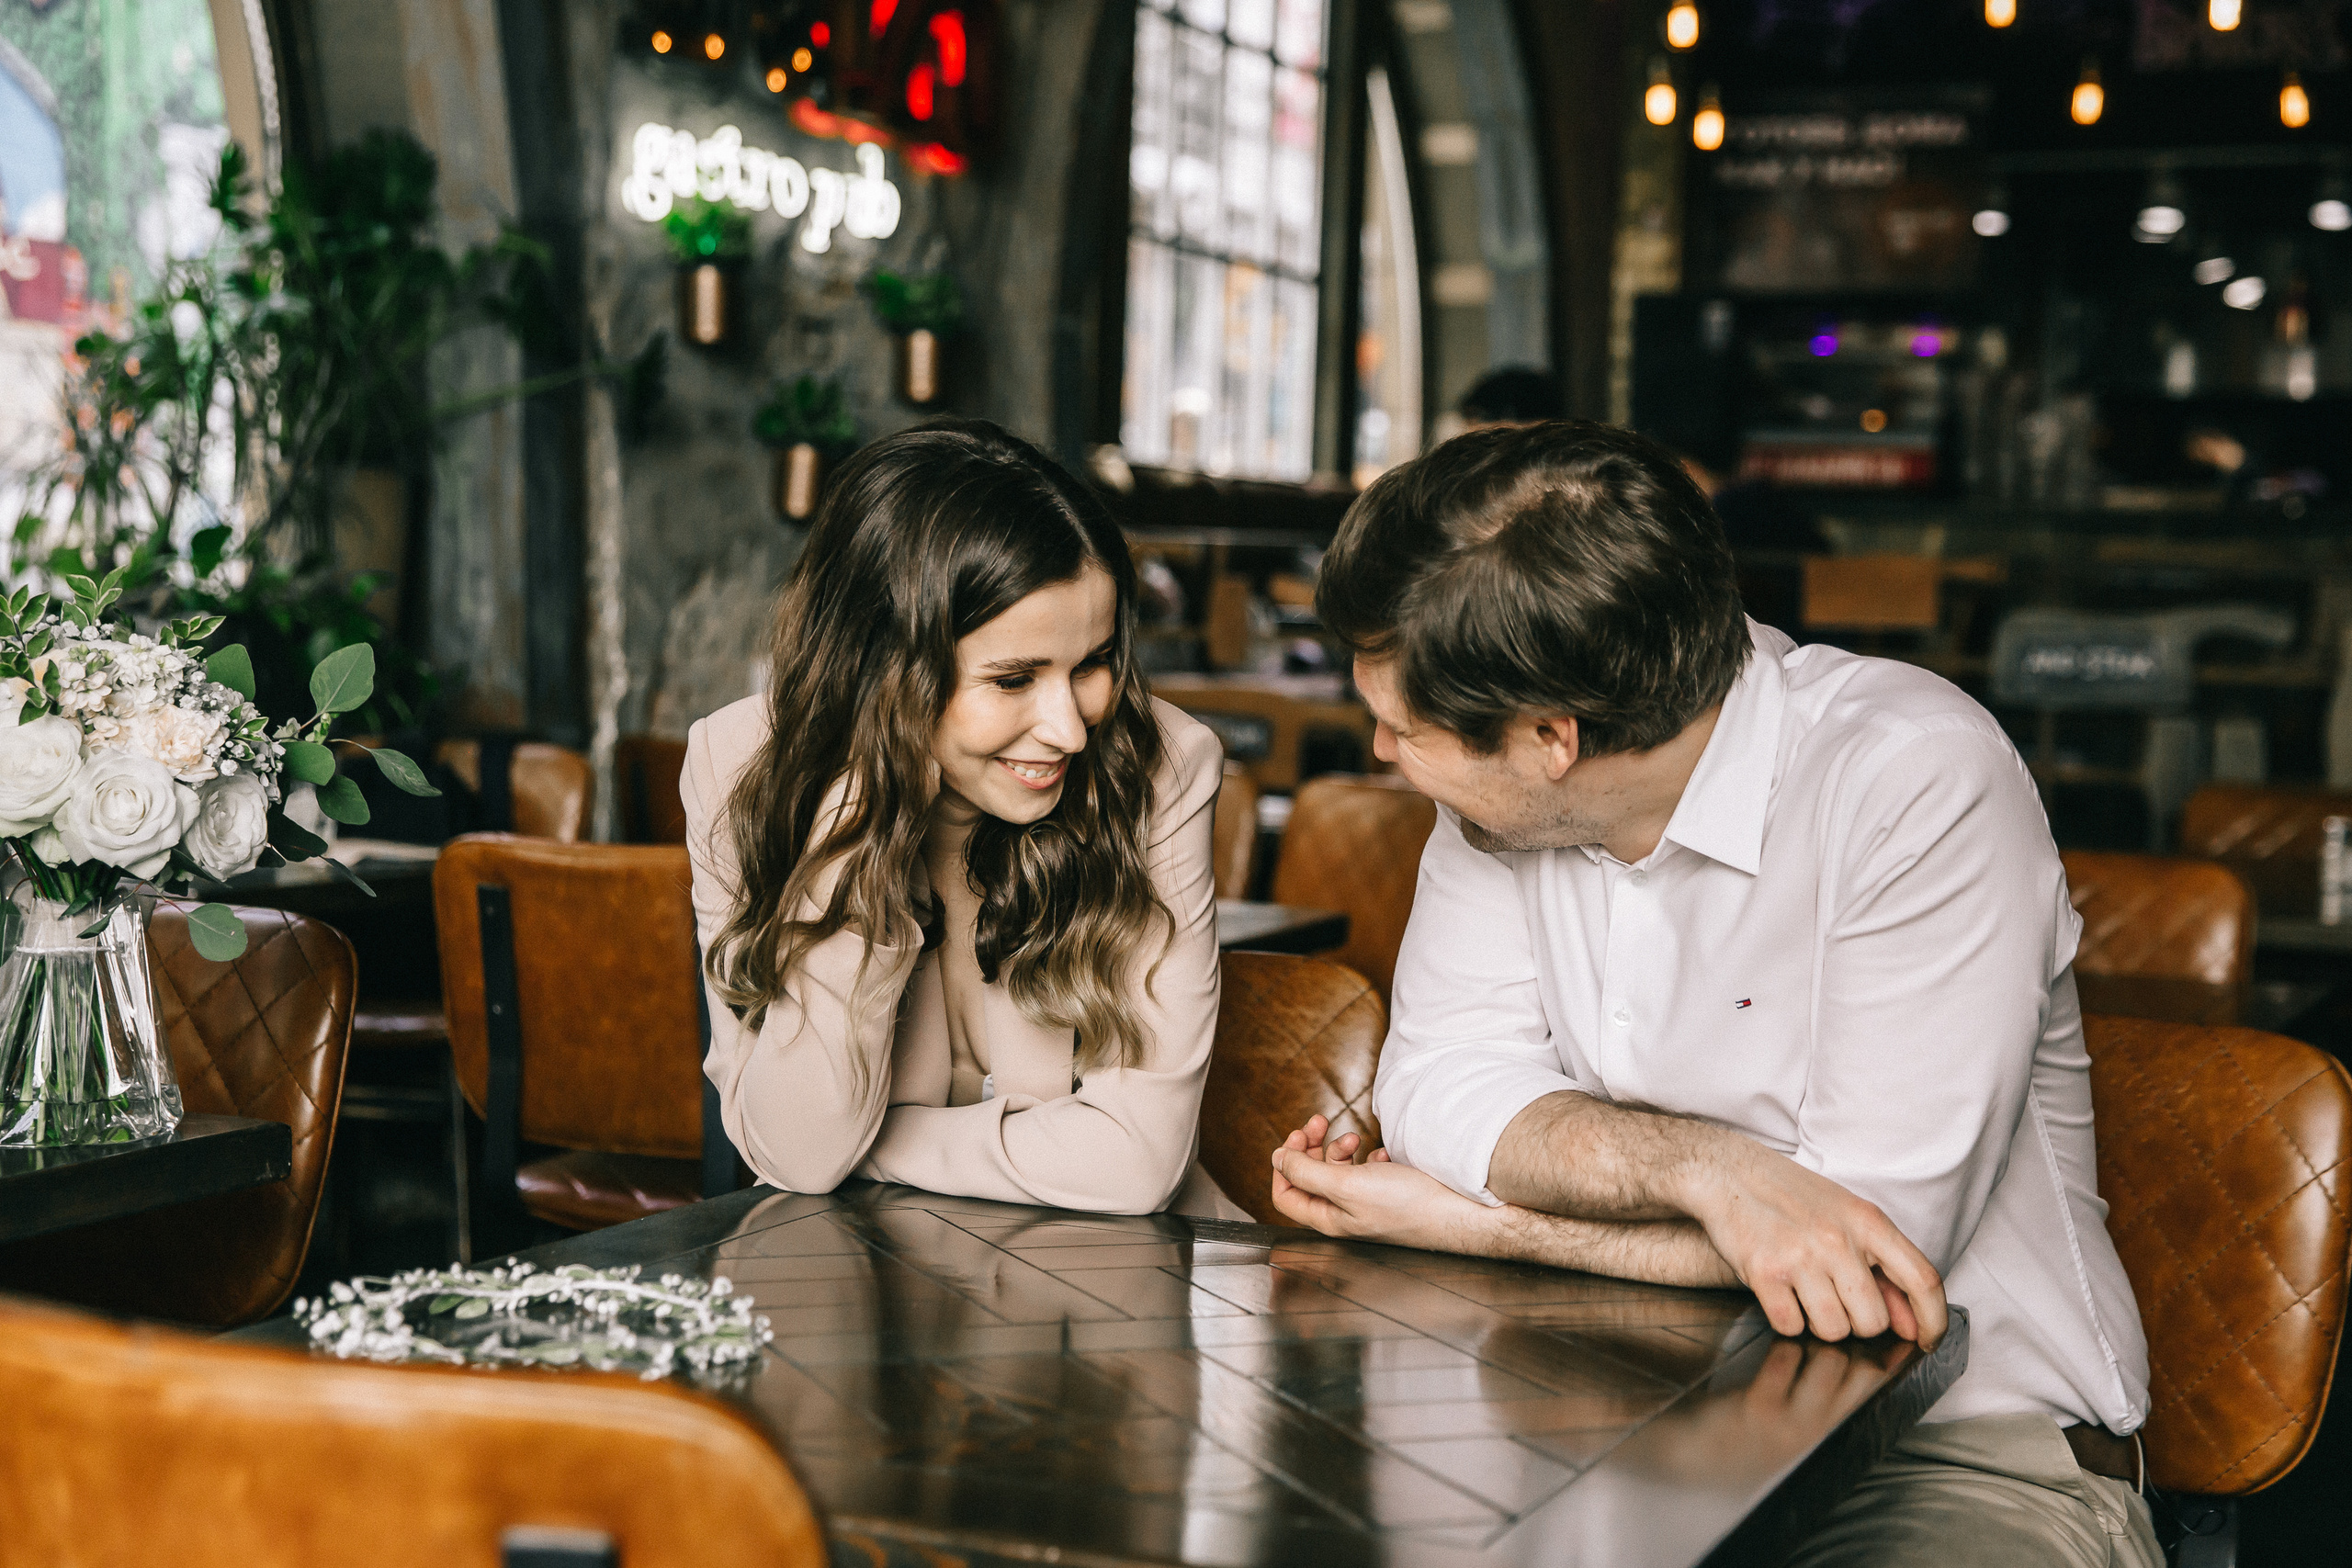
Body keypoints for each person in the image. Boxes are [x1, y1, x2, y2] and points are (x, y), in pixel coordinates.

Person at [1268, 422, 2156, 1566]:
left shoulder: (1916, 778)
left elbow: (1867, 1268)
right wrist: (1713, 1173)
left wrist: (1476, 1223)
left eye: (1402, 729)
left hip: (1955, 1452)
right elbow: (1438, 1089)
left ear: (1551, 736)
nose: (1384, 754)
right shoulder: (1497, 809)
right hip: (1583, 1403)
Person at [683, 419, 1242, 1218]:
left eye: (1092, 664)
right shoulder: (739, 765)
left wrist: (876, 1146)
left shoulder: (1163, 766)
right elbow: (801, 1153)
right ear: (883, 668)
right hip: (856, 1286)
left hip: (1116, 1289)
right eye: (1014, 679)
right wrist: (854, 839)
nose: (1072, 729)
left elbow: (1137, 1162)